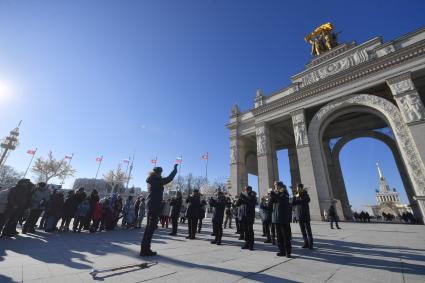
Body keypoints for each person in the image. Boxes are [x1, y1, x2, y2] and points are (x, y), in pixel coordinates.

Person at [140, 164, 178, 257]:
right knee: (150, 228)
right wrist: (174, 170)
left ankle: (145, 249)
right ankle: (145, 250)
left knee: (149, 228)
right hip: (154, 205)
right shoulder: (156, 180)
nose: (161, 175)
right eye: (160, 173)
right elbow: (168, 179)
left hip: (151, 204)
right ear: (158, 172)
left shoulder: (152, 179)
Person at [269, 181, 292, 257]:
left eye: (276, 185)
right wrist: (270, 197)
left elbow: (281, 200)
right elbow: (270, 204)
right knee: (279, 236)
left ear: (280, 186)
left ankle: (288, 252)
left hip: (283, 217)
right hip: (276, 217)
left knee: (285, 236)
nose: (275, 187)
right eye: (274, 185)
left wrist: (273, 194)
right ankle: (281, 250)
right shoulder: (276, 194)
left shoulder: (284, 192)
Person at [292, 183, 313, 249]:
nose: (297, 189)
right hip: (299, 215)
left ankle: (310, 244)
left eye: (298, 187)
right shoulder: (297, 195)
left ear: (301, 188)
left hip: (305, 214)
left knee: (308, 230)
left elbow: (307, 200)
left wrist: (300, 194)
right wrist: (294, 196)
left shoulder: (305, 194)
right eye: (297, 187)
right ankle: (305, 243)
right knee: (303, 231)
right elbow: (293, 203)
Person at [237, 186, 257, 250]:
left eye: (246, 189)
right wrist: (240, 198)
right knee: (245, 231)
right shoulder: (243, 196)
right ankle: (247, 243)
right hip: (243, 216)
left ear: (250, 190)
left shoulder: (253, 195)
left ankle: (251, 245)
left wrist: (244, 197)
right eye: (245, 189)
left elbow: (251, 202)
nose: (245, 190)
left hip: (250, 216)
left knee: (250, 231)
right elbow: (237, 204)